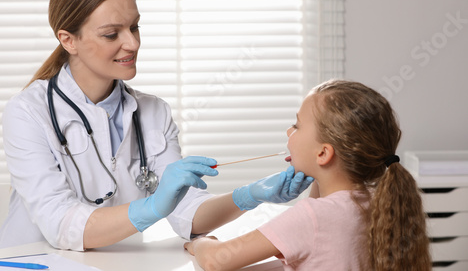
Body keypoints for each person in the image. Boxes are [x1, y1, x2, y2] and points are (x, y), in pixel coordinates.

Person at [0, 0, 314, 252]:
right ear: (68, 40)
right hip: (30, 262)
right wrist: (152, 207)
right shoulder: (27, 113)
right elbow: (61, 225)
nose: (132, 44)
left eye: (135, 27)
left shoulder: (153, 112)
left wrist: (249, 196)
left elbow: (187, 213)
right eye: (111, 34)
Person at [184, 79, 431, 271]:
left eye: (298, 125)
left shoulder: (311, 218)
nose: (289, 130)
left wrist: (201, 243)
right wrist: (316, 176)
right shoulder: (376, 203)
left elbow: (218, 261)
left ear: (323, 153)